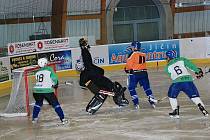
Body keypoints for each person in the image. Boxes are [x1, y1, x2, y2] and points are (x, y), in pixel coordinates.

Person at [77, 37, 129, 114]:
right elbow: (86, 58)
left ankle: (118, 99)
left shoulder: (88, 70)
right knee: (106, 91)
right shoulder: (88, 68)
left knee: (110, 88)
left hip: (97, 80)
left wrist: (84, 48)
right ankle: (119, 99)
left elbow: (87, 59)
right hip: (96, 81)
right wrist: (83, 47)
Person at [164, 50, 208, 118]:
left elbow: (172, 76)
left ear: (169, 57)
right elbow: (191, 66)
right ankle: (202, 107)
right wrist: (198, 72)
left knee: (171, 96)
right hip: (188, 81)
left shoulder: (167, 67)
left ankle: (175, 111)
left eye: (167, 57)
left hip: (176, 83)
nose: (166, 58)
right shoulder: (182, 59)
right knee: (194, 97)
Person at [32, 57, 69, 125]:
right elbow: (54, 78)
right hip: (47, 91)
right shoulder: (49, 69)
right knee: (56, 104)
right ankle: (63, 119)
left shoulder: (37, 72)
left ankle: (34, 118)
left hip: (36, 91)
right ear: (45, 63)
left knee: (38, 103)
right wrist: (55, 84)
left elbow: (43, 80)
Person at [124, 41, 157, 109]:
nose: (132, 48)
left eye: (132, 46)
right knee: (147, 88)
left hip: (135, 74)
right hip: (144, 73)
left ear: (134, 47)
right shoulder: (143, 54)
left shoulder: (132, 54)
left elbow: (129, 65)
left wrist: (126, 69)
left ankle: (136, 103)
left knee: (131, 88)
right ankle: (152, 102)